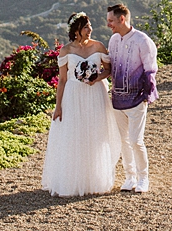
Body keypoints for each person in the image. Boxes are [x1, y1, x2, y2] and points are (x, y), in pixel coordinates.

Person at [40, 12, 121, 197]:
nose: (90, 29)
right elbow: (61, 80)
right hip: (73, 95)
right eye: (86, 27)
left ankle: (95, 179)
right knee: (75, 135)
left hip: (95, 94)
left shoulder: (98, 46)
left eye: (90, 26)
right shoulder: (66, 51)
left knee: (95, 133)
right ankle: (74, 181)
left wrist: (96, 77)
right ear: (76, 30)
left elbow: (108, 69)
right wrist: (58, 106)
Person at [106, 2, 159, 193]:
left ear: (122, 18)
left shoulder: (143, 41)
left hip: (137, 99)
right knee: (124, 140)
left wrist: (146, 96)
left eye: (111, 20)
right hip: (117, 100)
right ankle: (130, 177)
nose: (108, 25)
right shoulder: (113, 41)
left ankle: (143, 178)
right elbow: (110, 67)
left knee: (136, 140)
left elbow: (150, 70)